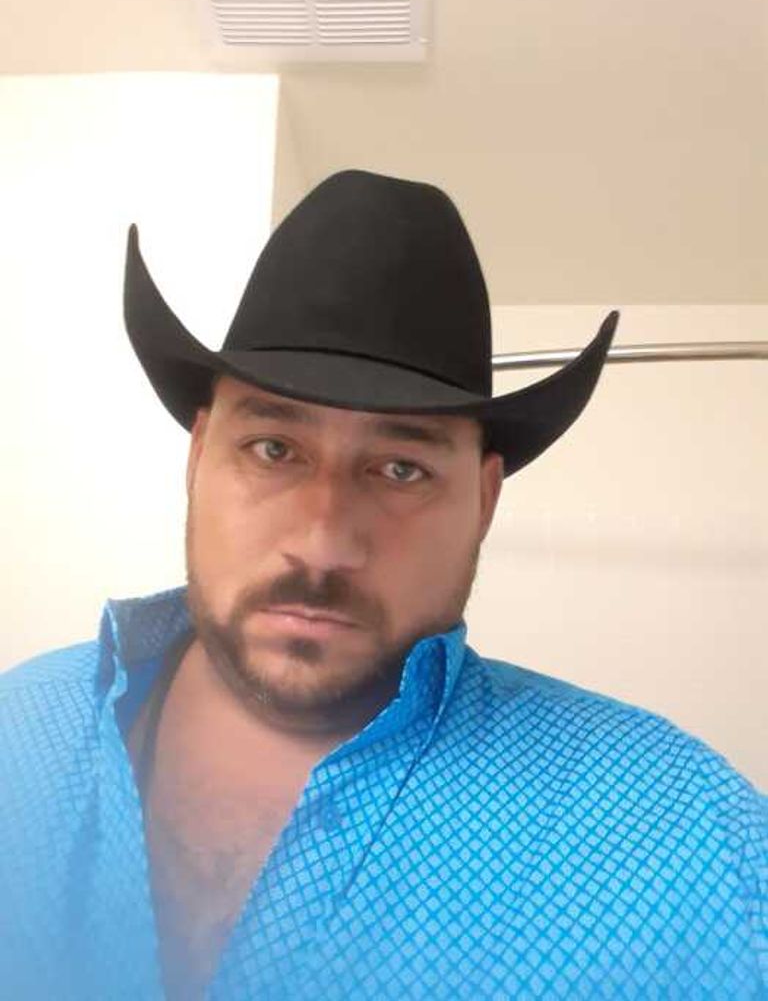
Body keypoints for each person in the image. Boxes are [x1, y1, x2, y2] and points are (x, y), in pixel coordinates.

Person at [1, 170, 765, 1001]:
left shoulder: (694, 842)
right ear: (198, 457)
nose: (323, 541)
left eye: (401, 468)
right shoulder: (17, 733)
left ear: (484, 499)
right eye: (273, 450)